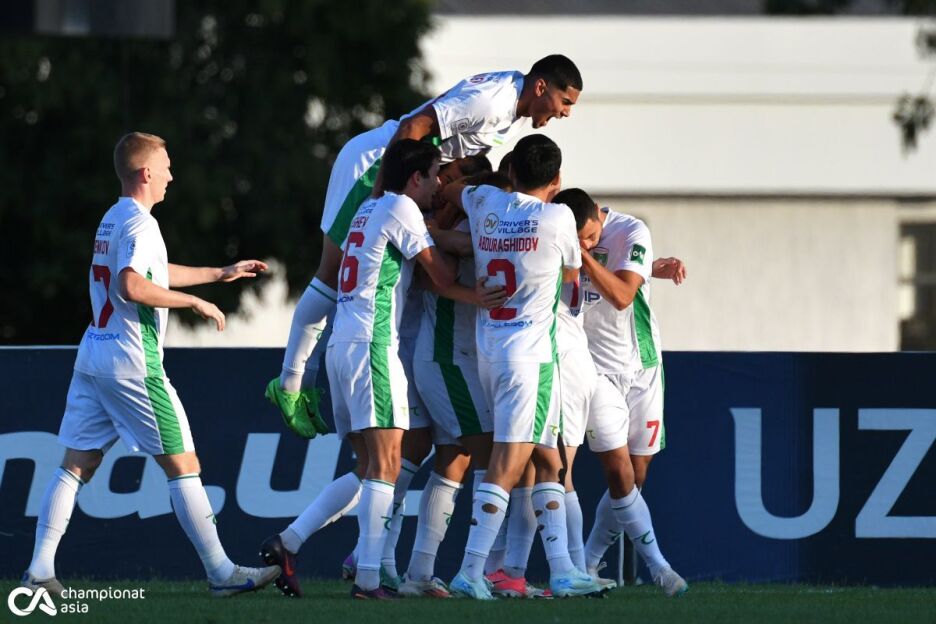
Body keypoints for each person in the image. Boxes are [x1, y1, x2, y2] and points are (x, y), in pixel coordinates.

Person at [266, 55, 584, 440]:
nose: (566, 113)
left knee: (355, 274)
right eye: (565, 102)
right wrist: (383, 195)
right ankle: (290, 384)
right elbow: (413, 126)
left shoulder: (514, 106)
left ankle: (302, 383)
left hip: (399, 169)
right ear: (541, 87)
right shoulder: (493, 101)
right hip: (375, 163)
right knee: (332, 273)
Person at [21, 132, 279, 598]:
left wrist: (218, 273)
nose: (171, 176)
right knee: (184, 464)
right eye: (165, 167)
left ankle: (40, 568)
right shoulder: (141, 224)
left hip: (94, 356)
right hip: (133, 364)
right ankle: (221, 573)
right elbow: (132, 285)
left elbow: (152, 271)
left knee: (76, 465)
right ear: (145, 174)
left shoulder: (114, 217)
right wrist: (194, 302)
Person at [261, 139, 456, 600]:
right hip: (373, 345)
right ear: (415, 178)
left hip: (342, 344)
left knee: (368, 467)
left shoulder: (366, 208)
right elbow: (442, 275)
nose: (438, 185)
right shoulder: (402, 208)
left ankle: (288, 542)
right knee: (387, 465)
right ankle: (369, 579)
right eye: (434, 175)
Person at [442, 135, 604, 599]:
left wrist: (488, 187)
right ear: (557, 180)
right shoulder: (559, 217)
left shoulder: (484, 201)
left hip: (492, 349)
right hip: (530, 357)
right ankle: (470, 570)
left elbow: (453, 191)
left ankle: (563, 571)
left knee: (548, 460)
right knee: (508, 465)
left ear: (511, 171)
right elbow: (571, 274)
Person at [551, 188, 688, 597]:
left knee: (637, 474)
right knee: (618, 471)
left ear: (598, 213)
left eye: (592, 236)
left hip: (642, 365)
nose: (587, 243)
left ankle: (590, 561)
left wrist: (585, 256)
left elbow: (624, 295)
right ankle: (660, 568)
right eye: (580, 240)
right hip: (595, 370)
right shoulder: (558, 236)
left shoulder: (631, 230)